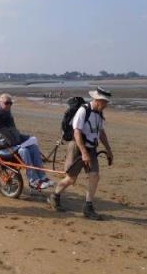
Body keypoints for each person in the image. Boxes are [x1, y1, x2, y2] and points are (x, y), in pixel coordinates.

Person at [48, 88, 114, 220]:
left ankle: (88, 207)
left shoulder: (99, 114)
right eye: (104, 102)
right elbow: (76, 133)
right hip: (78, 148)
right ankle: (54, 196)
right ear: (97, 100)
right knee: (71, 179)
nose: (106, 105)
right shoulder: (83, 111)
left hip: (91, 149)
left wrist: (109, 149)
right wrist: (83, 152)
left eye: (107, 102)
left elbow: (101, 132)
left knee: (94, 175)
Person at [0, 93, 54, 190]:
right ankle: (33, 181)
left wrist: (27, 138)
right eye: (6, 103)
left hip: (14, 146)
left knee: (33, 147)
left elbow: (15, 133)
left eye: (10, 103)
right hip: (3, 148)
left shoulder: (9, 116)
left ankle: (42, 177)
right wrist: (1, 137)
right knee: (24, 151)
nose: (9, 105)